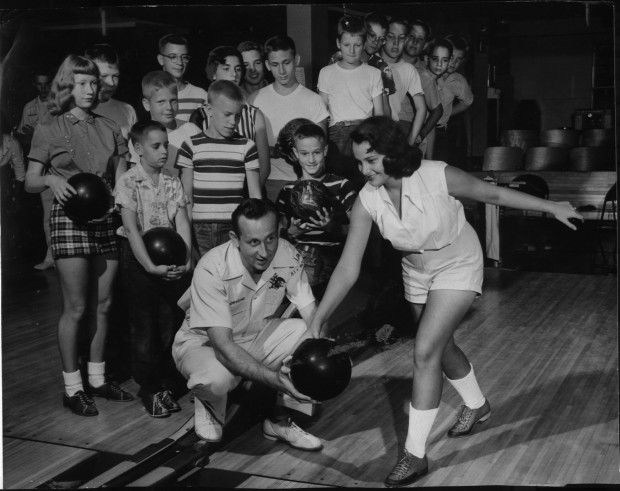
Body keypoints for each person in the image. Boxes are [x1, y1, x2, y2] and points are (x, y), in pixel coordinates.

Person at [307, 116, 583, 487]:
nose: (364, 169)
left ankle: (414, 456)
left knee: (424, 351)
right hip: (416, 271)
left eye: (371, 160)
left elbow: (495, 195)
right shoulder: (367, 200)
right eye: (358, 162)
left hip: (457, 261)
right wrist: (319, 318)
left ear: (391, 152)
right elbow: (347, 268)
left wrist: (553, 208)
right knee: (442, 344)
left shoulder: (437, 174)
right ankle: (477, 405)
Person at [25, 54, 134, 417]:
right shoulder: (49, 128)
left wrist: (121, 209)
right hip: (69, 219)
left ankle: (98, 379)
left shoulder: (110, 128)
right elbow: (29, 180)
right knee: (76, 307)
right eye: (83, 83)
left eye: (94, 83)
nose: (91, 90)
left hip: (105, 218)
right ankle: (73, 388)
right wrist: (52, 178)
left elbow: (121, 179)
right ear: (67, 86)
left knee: (104, 305)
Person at [172, 198, 322, 450]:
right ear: (234, 238)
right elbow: (223, 347)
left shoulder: (287, 253)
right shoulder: (212, 267)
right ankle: (209, 400)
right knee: (216, 379)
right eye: (253, 242)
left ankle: (279, 419)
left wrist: (319, 363)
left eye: (270, 239)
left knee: (306, 335)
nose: (264, 251)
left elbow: (313, 315)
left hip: (254, 337)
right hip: (205, 346)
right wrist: (275, 378)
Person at [114, 121, 192, 418]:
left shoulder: (172, 180)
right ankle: (149, 388)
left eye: (165, 145)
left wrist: (186, 261)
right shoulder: (129, 181)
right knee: (144, 326)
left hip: (169, 259)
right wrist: (150, 266)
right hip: (140, 260)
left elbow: (182, 222)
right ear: (137, 149)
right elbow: (132, 230)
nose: (163, 151)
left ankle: (167, 384)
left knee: (169, 322)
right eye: (155, 146)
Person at [177, 79, 262, 255]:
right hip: (199, 229)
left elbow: (255, 195)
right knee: (204, 278)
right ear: (209, 110)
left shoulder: (247, 146)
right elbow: (186, 197)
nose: (233, 121)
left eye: (237, 116)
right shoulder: (190, 146)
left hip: (233, 226)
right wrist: (186, 237)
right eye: (227, 114)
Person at [248, 35, 329, 202]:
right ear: (267, 65)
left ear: (296, 60)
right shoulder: (255, 99)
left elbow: (321, 148)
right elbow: (248, 148)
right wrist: (269, 151)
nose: (282, 71)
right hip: (269, 181)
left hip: (307, 182)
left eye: (286, 63)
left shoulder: (314, 100)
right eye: (275, 65)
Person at [275, 122, 357, 287]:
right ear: (295, 153)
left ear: (325, 151)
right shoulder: (288, 190)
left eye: (317, 152)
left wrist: (332, 227)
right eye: (304, 154)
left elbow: (358, 233)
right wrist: (291, 232)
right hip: (296, 255)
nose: (311, 160)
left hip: (331, 257)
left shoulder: (342, 185)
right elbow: (276, 237)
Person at [189, 46, 270, 187]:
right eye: (226, 69)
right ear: (213, 73)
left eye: (238, 69)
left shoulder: (254, 114)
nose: (234, 74)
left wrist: (250, 198)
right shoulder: (200, 116)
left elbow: (264, 166)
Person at [318, 16, 383, 169]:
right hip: (338, 133)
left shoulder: (373, 73)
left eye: (357, 45)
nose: (352, 51)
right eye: (347, 45)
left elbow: (379, 113)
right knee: (340, 181)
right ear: (338, 43)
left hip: (366, 131)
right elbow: (321, 112)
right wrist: (321, 144)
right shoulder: (326, 72)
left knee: (365, 179)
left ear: (364, 44)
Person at [128, 71, 203, 182]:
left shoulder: (191, 131)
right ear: (147, 104)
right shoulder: (139, 136)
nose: (169, 107)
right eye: (161, 102)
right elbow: (135, 176)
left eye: (173, 101)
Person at [16, 69, 55, 270]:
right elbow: (22, 137)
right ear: (34, 84)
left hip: (62, 164)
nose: (43, 88)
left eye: (47, 83)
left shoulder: (60, 104)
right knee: (48, 214)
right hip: (42, 168)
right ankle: (51, 257)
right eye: (39, 84)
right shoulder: (29, 108)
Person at [329, 12, 396, 120]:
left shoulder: (382, 67)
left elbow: (385, 108)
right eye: (372, 35)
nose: (376, 42)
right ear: (362, 32)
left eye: (381, 39)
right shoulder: (339, 58)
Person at [379, 17, 426, 147]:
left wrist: (410, 141)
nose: (396, 43)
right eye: (391, 37)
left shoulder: (408, 70)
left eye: (401, 38)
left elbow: (421, 108)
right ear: (383, 38)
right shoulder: (371, 64)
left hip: (391, 132)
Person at [426, 38, 473, 161]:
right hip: (423, 127)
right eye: (451, 57)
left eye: (459, 59)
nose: (453, 62)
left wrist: (447, 113)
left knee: (438, 166)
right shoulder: (430, 73)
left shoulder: (459, 81)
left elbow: (467, 102)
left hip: (440, 131)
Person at [85, 43, 138, 142]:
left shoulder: (127, 110)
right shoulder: (74, 110)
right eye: (104, 76)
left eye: (115, 76)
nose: (111, 83)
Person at [157, 34, 208, 122]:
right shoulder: (153, 93)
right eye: (173, 57)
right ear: (161, 59)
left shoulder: (201, 96)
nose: (180, 62)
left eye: (184, 57)